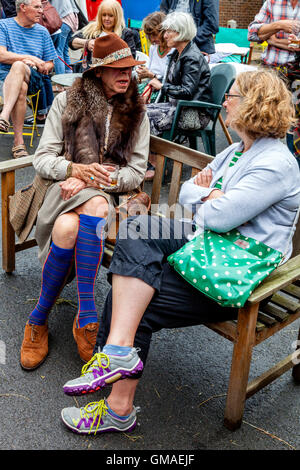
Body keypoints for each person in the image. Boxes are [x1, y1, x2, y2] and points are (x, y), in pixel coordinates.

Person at [60, 69, 300, 436]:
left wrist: (210, 198)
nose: (225, 102)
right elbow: (189, 193)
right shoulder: (239, 151)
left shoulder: (275, 163)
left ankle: (118, 408)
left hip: (237, 275)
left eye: (231, 96)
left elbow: (217, 217)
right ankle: (119, 352)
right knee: (138, 231)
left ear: (252, 105)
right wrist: (211, 195)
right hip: (210, 246)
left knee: (137, 299)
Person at [19, 33, 149, 371]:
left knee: (84, 214)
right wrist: (74, 168)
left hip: (107, 193)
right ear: (98, 72)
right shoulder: (67, 101)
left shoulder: (137, 111)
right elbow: (43, 158)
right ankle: (86, 315)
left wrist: (93, 178)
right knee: (77, 217)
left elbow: (135, 171)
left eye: (130, 68)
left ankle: (39, 318)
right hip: (60, 190)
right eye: (118, 69)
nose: (126, 75)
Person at [144, 11, 212, 180]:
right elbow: (174, 85)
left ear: (181, 32)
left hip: (194, 113)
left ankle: (157, 166)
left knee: (144, 117)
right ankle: (152, 161)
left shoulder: (192, 57)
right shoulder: (178, 53)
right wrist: (155, 80)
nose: (164, 35)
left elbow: (187, 91)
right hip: (180, 107)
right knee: (139, 111)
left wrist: (161, 86)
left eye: (169, 31)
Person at [0, 0, 57, 158]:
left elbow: (50, 63)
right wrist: (29, 57)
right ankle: (18, 144)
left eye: (41, 7)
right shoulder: (3, 25)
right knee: (21, 88)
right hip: (4, 78)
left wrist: (43, 65)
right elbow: (1, 55)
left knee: (18, 66)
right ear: (23, 8)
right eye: (37, 7)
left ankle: (4, 115)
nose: (42, 11)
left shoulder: (42, 32)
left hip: (34, 77)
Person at [248, 0, 300, 164]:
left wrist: (273, 39)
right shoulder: (272, 2)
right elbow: (252, 33)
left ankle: (295, 170)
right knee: (262, 122)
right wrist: (279, 25)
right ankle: (261, 166)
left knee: (296, 128)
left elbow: (264, 36)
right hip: (271, 72)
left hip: (297, 74)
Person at [69, 0, 136, 73]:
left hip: (113, 74)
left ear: (117, 16)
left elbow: (131, 59)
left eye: (111, 16)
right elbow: (71, 42)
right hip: (90, 73)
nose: (106, 19)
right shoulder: (92, 29)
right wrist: (87, 43)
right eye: (104, 15)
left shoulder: (126, 33)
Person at [136, 11, 174, 103]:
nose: (152, 39)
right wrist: (143, 73)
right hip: (151, 86)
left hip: (164, 92)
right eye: (149, 35)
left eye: (155, 34)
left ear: (165, 31)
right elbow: (150, 72)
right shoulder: (153, 48)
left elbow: (172, 81)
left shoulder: (174, 51)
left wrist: (151, 75)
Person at [50, 0, 79, 74]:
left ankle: (60, 80)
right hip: (72, 19)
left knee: (58, 52)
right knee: (64, 51)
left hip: (63, 19)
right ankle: (69, 77)